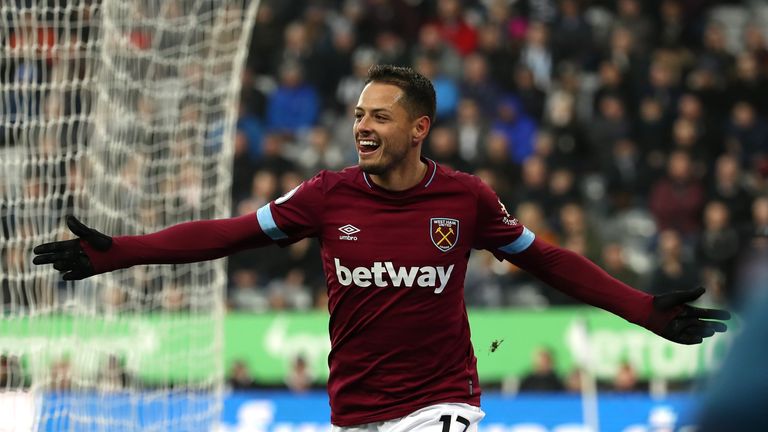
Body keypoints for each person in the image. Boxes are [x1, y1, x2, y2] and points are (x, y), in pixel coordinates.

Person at [33, 65, 729, 431]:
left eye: (380, 117)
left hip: (442, 400)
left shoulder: (466, 201)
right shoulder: (327, 196)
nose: (362, 127)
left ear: (419, 128)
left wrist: (643, 309)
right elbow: (231, 234)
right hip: (355, 406)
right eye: (359, 115)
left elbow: (545, 259)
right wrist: (117, 252)